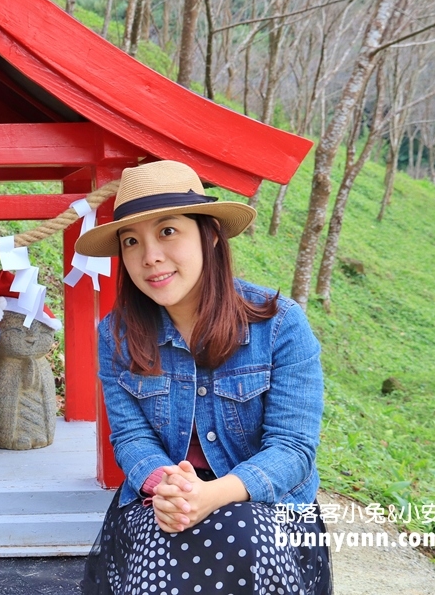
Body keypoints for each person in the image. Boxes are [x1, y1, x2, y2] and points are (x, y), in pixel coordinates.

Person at [74, 161, 332, 595]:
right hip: (162, 498)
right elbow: (131, 438)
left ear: (209, 235)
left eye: (168, 231)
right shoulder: (117, 334)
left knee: (247, 534)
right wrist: (169, 489)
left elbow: (292, 448)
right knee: (159, 540)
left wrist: (211, 496)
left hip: (268, 504)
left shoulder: (280, 325)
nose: (149, 255)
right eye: (131, 241)